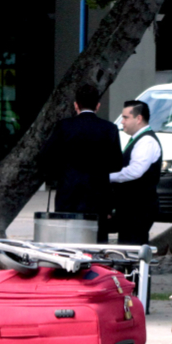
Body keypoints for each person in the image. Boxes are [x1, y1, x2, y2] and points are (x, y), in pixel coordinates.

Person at [36, 84, 124, 238]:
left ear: (76, 105)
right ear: (97, 105)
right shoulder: (110, 129)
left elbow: (45, 157)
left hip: (68, 191)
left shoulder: (64, 127)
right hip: (98, 194)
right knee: (97, 240)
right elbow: (117, 163)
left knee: (67, 238)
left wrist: (61, 174)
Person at [109, 99, 162, 245]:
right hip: (132, 207)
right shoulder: (138, 139)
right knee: (127, 246)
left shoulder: (146, 141)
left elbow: (135, 171)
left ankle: (138, 269)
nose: (122, 122)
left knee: (133, 247)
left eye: (125, 117)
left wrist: (107, 177)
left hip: (140, 207)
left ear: (139, 118)